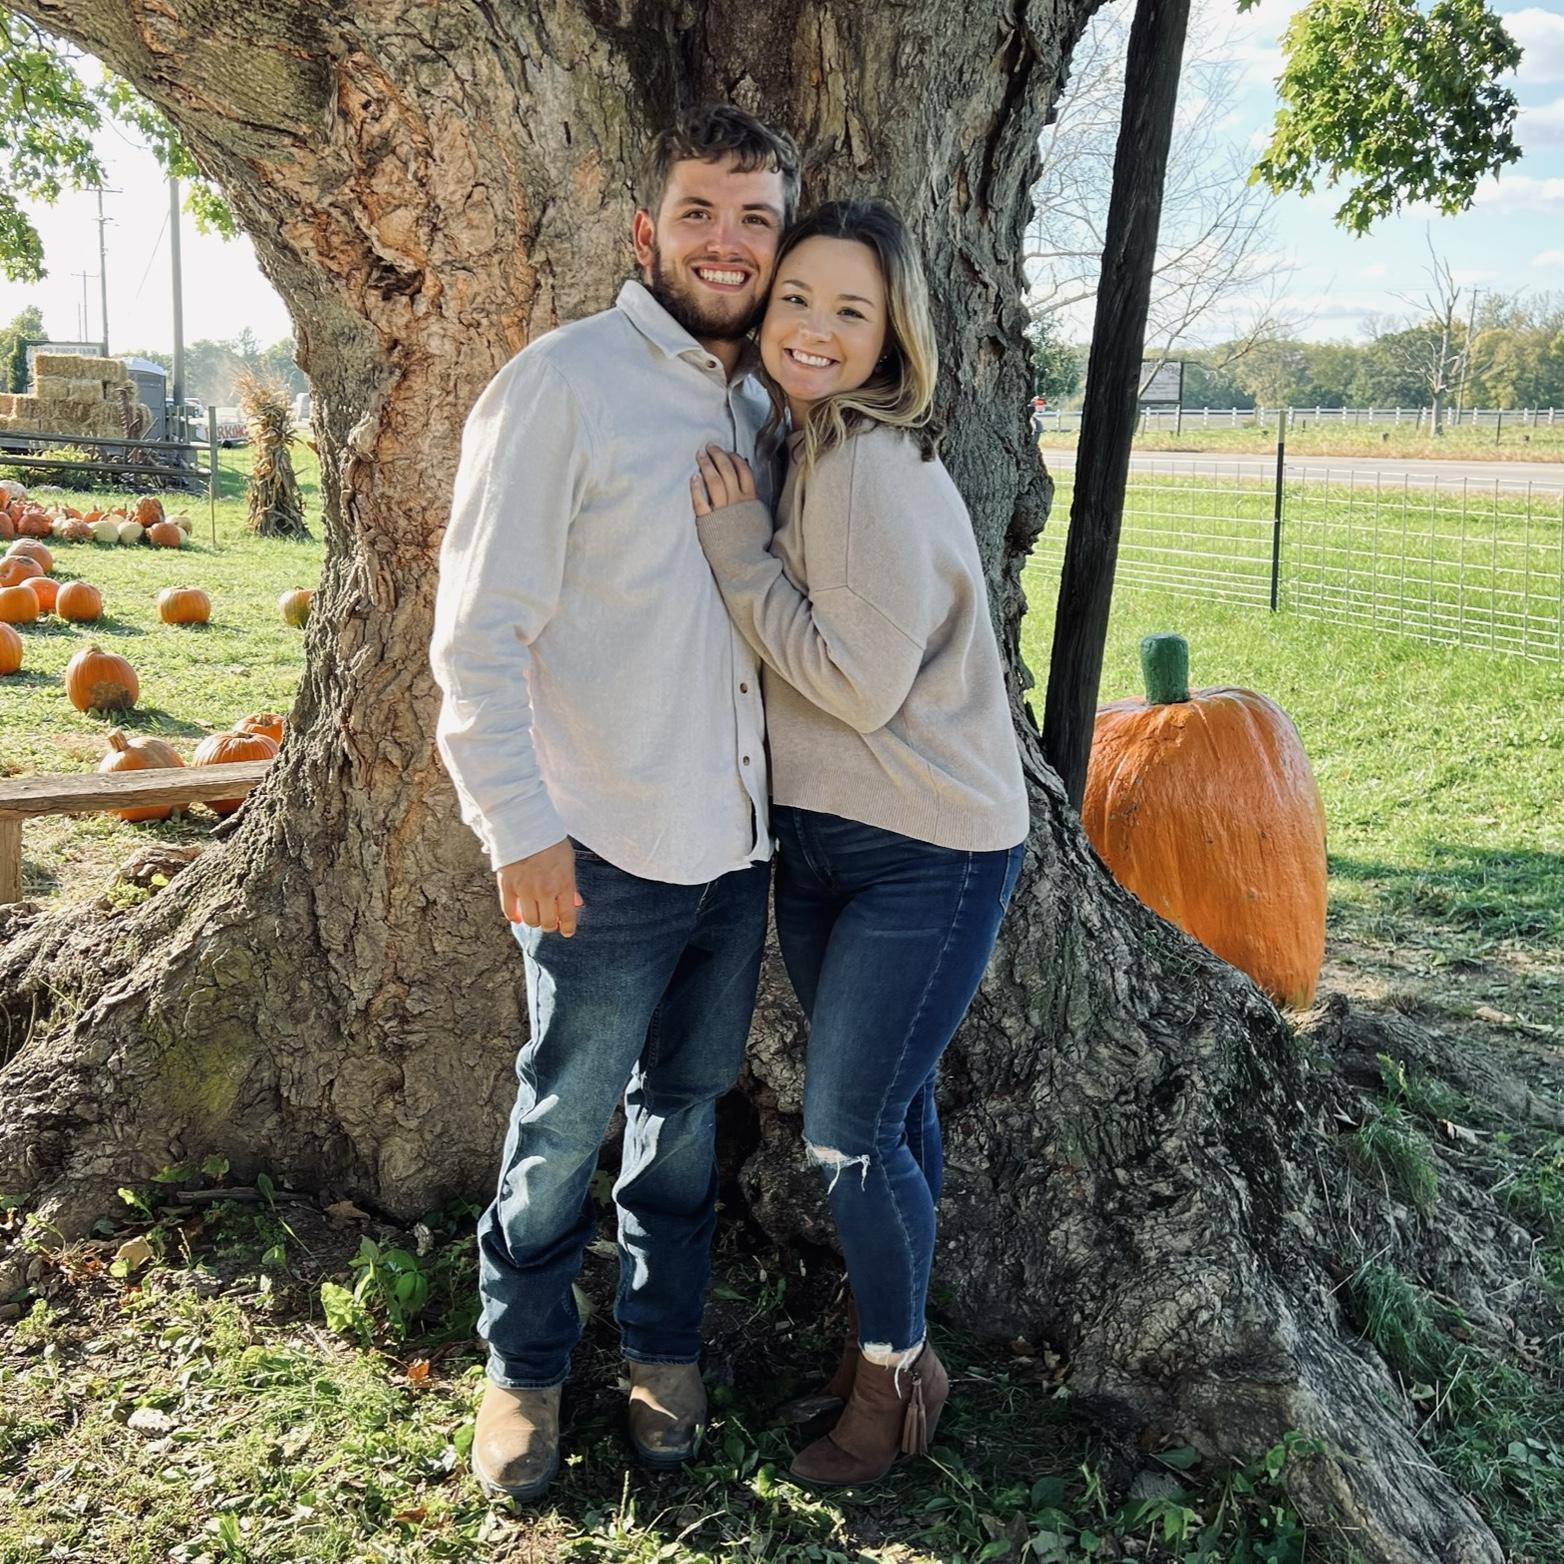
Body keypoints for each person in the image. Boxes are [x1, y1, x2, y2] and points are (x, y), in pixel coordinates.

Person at [429, 105, 800, 1503]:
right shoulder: (561, 386)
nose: (728, 241)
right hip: (599, 849)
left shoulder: (771, 401)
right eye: (702, 211)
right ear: (646, 232)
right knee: (562, 1118)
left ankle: (660, 1343)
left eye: (755, 218)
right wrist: (516, 826)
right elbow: (473, 637)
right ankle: (521, 1364)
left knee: (688, 1114)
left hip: (740, 848)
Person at [691, 199, 1030, 1488]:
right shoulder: (815, 446)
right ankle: (899, 1348)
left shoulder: (870, 465)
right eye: (797, 300)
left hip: (924, 856)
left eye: (853, 309)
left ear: (895, 336)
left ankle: (890, 1389)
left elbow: (859, 680)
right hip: (832, 847)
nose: (816, 328)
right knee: (895, 1113)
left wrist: (735, 555)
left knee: (845, 1134)